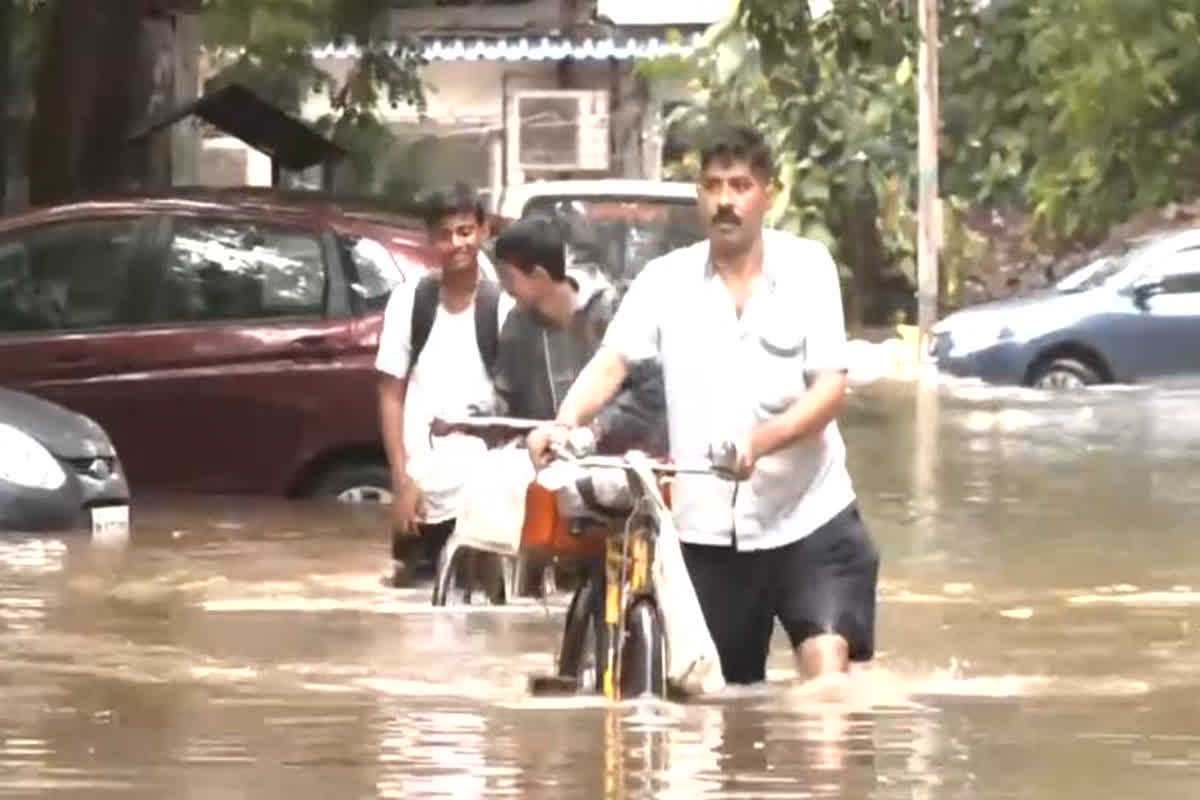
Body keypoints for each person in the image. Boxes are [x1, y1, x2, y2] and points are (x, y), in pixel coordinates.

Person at [526, 123, 881, 686]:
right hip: (708, 535)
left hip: (811, 518)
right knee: (723, 712)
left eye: (740, 185)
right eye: (713, 186)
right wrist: (565, 422)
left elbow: (829, 389)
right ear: (699, 195)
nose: (725, 200)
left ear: (767, 193)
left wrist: (760, 443)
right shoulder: (663, 282)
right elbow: (612, 362)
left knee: (826, 692)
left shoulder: (808, 268)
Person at [375, 183, 510, 588]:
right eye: (445, 234)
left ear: (483, 231)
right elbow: (390, 393)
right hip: (421, 497)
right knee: (413, 618)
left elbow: (520, 402)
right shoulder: (408, 302)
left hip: (485, 499)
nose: (456, 244)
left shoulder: (505, 307)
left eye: (466, 231)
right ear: (430, 239)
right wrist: (400, 482)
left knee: (483, 618)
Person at [488, 213, 667, 456]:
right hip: (548, 462)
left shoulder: (615, 310)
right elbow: (506, 398)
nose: (505, 288)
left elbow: (647, 393)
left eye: (509, 278)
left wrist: (593, 431)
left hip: (618, 463)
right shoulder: (518, 326)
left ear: (539, 276)